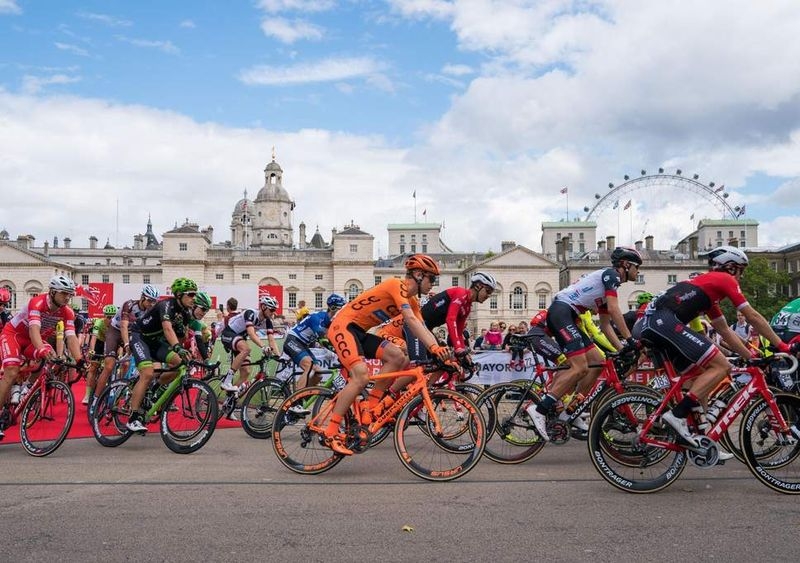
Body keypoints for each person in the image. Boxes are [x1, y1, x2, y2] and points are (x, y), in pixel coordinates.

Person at [634, 246, 794, 446]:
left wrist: (751, 356)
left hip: (653, 325)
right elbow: (752, 316)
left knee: (699, 377)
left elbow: (725, 330)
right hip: (661, 323)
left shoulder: (709, 293)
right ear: (731, 267)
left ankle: (701, 440)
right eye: (741, 271)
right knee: (721, 366)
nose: (741, 277)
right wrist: (783, 346)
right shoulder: (724, 279)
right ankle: (677, 416)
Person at [324, 254, 450, 455]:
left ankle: (373, 406)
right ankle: (330, 432)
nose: (432, 284)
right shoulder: (396, 285)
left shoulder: (413, 302)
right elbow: (410, 319)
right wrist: (434, 348)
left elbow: (422, 327)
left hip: (359, 332)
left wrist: (438, 348)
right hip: (343, 327)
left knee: (398, 357)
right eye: (431, 278)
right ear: (418, 275)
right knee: (361, 376)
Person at [526, 246, 642, 441]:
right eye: (637, 267)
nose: (638, 272)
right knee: (580, 368)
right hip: (561, 312)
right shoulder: (611, 275)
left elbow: (605, 326)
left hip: (570, 315)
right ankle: (539, 409)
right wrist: (630, 340)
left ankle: (571, 411)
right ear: (625, 264)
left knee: (598, 362)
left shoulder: (609, 288)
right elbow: (615, 311)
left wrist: (621, 349)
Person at [0, 275, 84, 438]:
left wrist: (79, 359)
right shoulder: (37, 302)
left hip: (35, 339)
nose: (67, 297)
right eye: (64, 293)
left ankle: (26, 388)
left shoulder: (67, 312)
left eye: (69, 294)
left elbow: (71, 337)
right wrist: (41, 349)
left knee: (51, 357)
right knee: (11, 370)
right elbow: (33, 330)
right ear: (52, 292)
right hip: (14, 335)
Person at [125, 278, 209, 433]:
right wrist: (177, 347)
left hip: (155, 342)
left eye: (194, 295)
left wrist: (183, 351)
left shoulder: (185, 314)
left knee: (180, 364)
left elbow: (181, 337)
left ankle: (156, 388)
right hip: (139, 336)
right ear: (178, 294)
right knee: (147, 373)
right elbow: (167, 330)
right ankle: (133, 418)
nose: (193, 298)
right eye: (190, 294)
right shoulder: (166, 305)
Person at [377, 271, 496, 369]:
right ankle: (390, 390)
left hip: (425, 329)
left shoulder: (467, 306)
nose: (488, 296)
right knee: (419, 366)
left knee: (446, 361)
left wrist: (463, 351)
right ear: (478, 286)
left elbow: (458, 332)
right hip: (414, 327)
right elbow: (451, 320)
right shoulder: (461, 293)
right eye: (488, 291)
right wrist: (458, 349)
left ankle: (426, 392)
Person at [93, 284, 160, 403]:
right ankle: (95, 399)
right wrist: (126, 344)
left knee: (127, 363)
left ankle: (121, 386)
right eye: (149, 300)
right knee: (109, 365)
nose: (151, 304)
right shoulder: (129, 305)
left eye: (154, 302)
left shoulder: (151, 310)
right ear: (142, 298)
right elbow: (123, 326)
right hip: (116, 331)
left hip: (132, 333)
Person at [282, 294, 345, 410]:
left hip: (302, 344)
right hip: (293, 340)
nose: (341, 312)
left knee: (319, 373)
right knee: (309, 366)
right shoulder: (318, 317)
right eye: (340, 308)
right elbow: (322, 339)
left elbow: (333, 339)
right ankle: (295, 402)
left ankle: (303, 398)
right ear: (332, 308)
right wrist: (338, 352)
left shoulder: (329, 322)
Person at [218, 295, 281, 392]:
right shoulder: (251, 313)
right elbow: (251, 334)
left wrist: (279, 357)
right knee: (246, 349)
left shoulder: (268, 322)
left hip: (239, 338)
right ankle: (227, 380)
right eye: (272, 310)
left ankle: (229, 399)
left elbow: (271, 340)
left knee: (246, 372)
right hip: (229, 334)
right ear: (263, 307)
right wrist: (263, 347)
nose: (274, 313)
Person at [82, 304, 116, 404]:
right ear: (104, 316)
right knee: (93, 367)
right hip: (99, 342)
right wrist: (92, 351)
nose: (110, 319)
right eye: (108, 316)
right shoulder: (98, 322)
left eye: (113, 316)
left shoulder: (115, 324)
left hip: (110, 342)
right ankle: (87, 395)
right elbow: (93, 338)